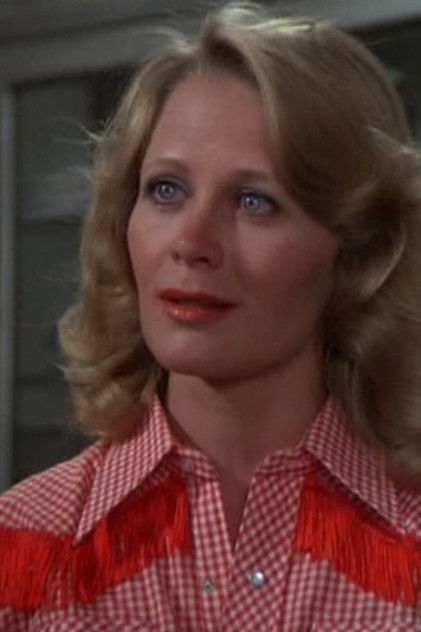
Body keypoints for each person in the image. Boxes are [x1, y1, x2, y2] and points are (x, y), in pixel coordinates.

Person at [1, 2, 421, 630]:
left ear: (356, 251)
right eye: (166, 190)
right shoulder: (24, 543)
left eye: (254, 201)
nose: (192, 242)